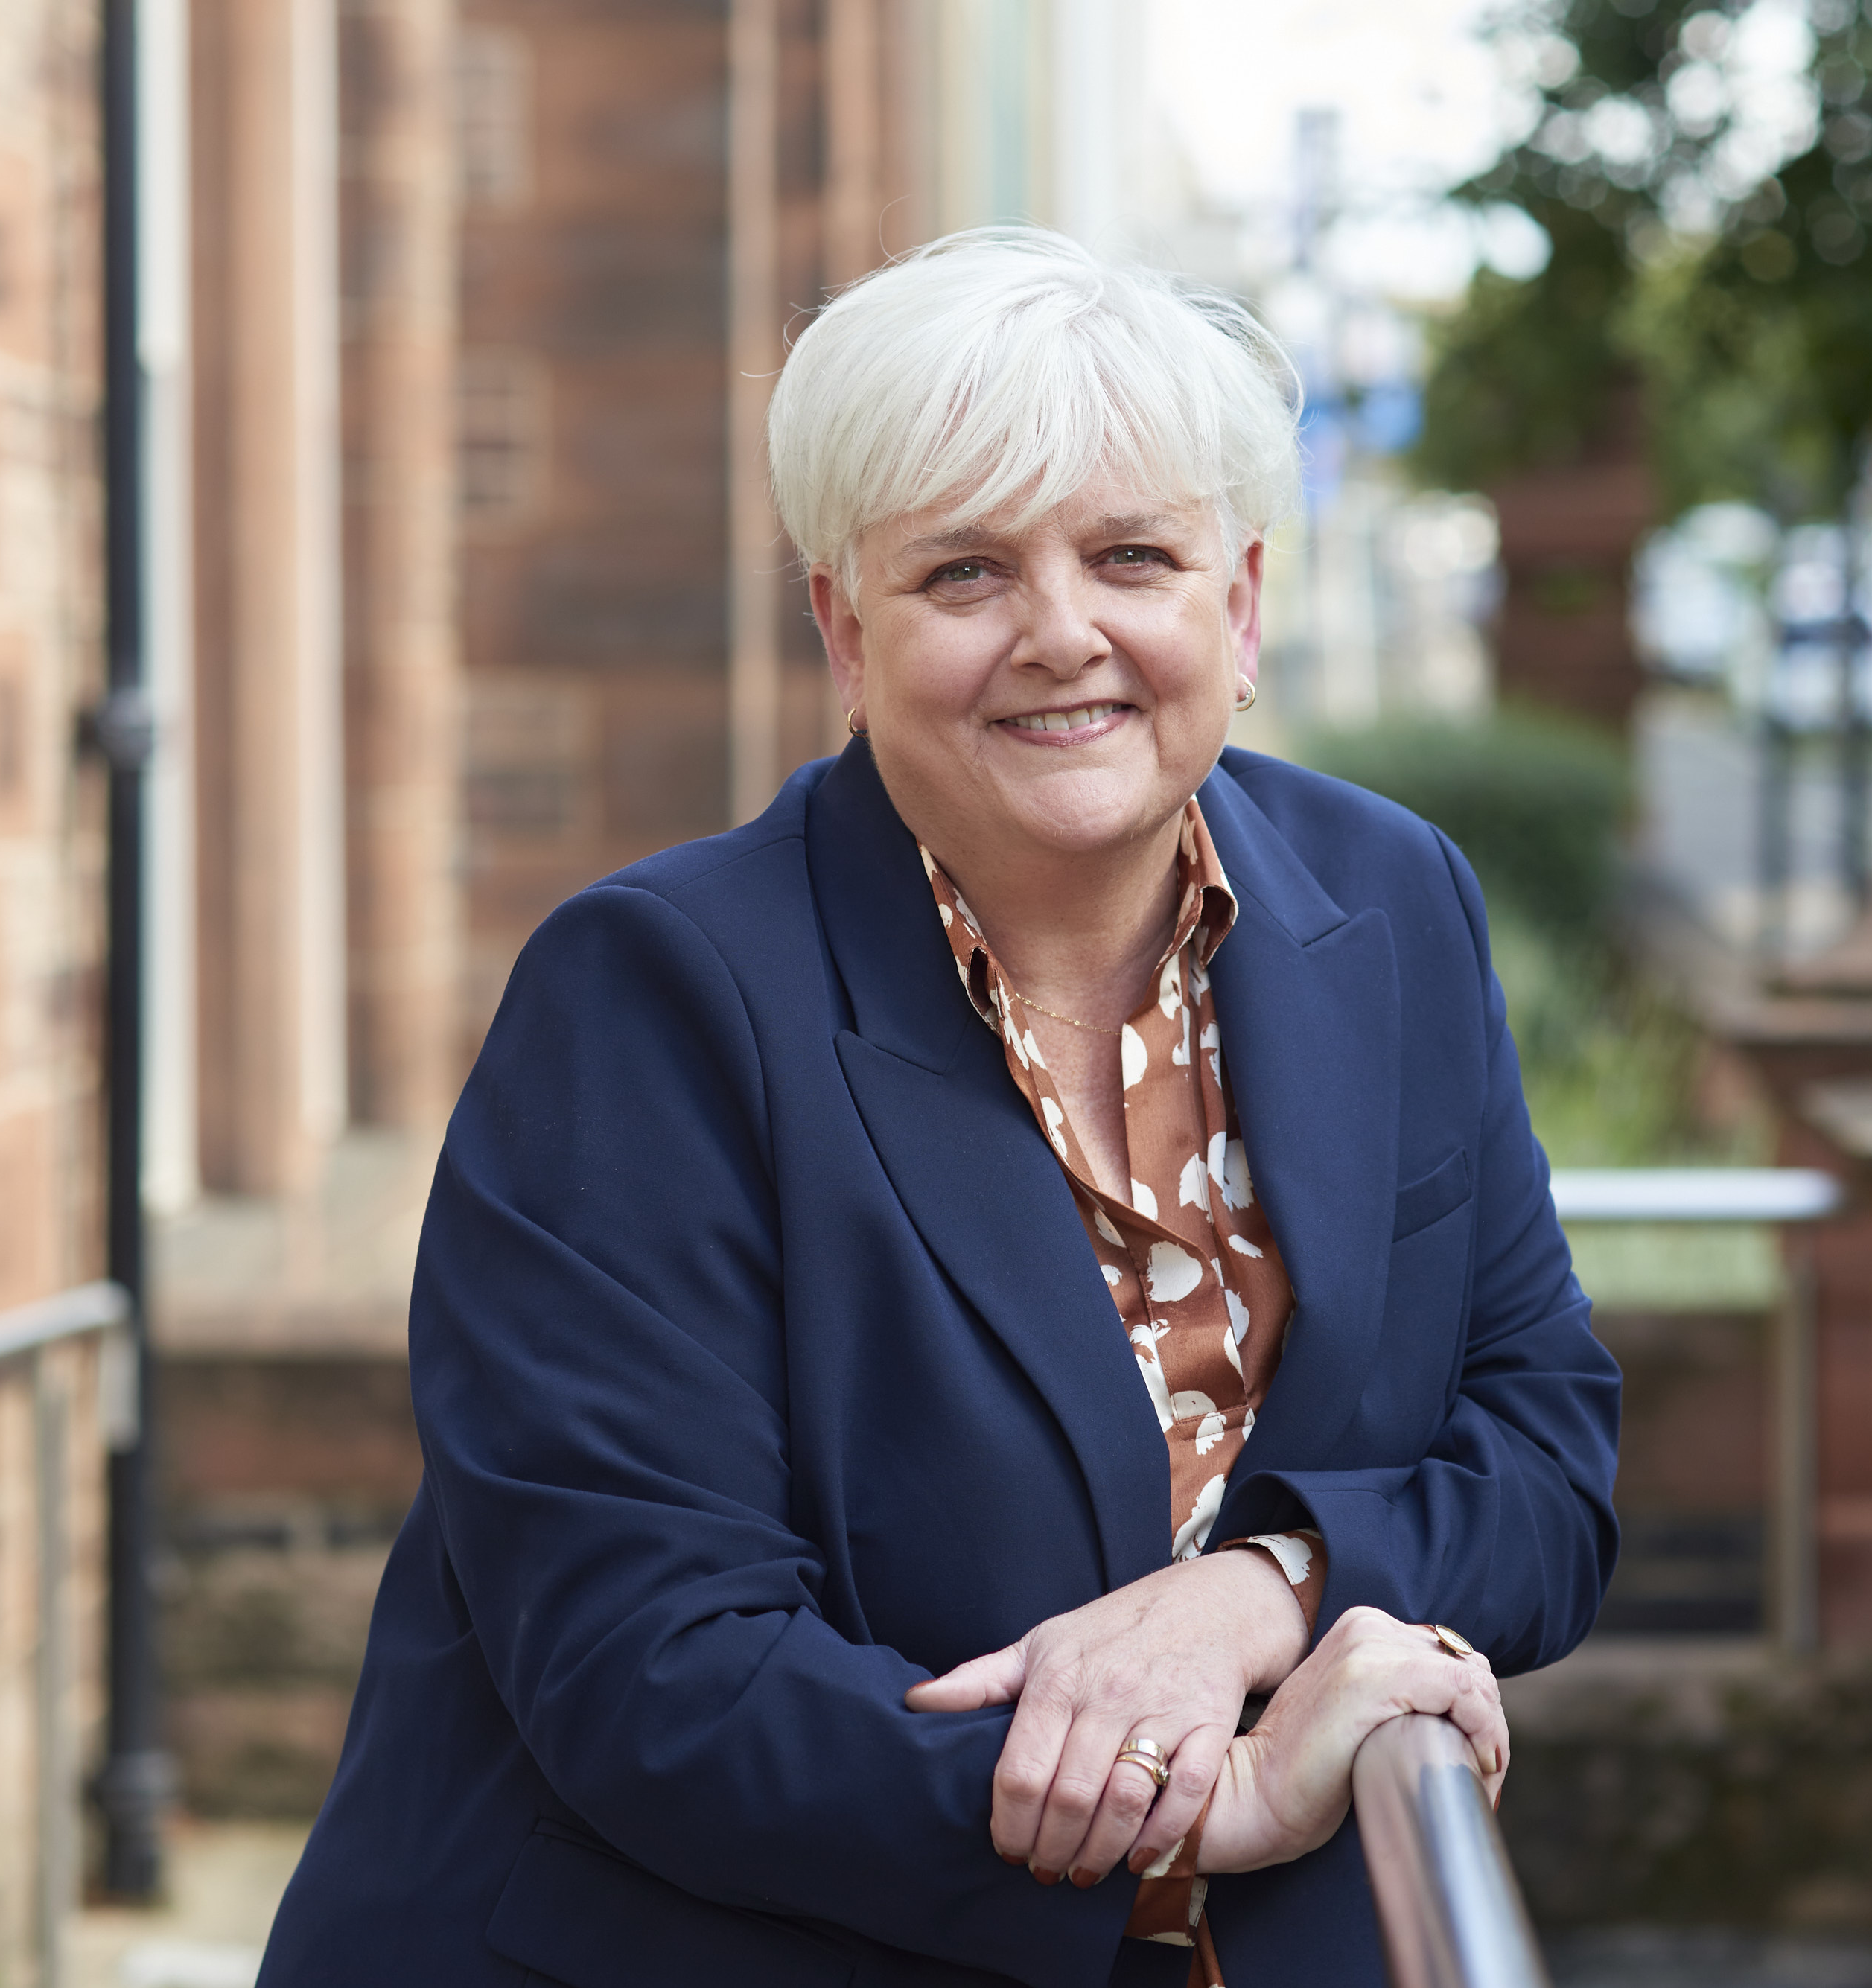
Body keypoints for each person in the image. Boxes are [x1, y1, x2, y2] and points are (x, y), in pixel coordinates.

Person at [258, 227, 1619, 1988]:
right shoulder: (651, 997)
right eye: (964, 574)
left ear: (1244, 604)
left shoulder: (1390, 901)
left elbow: (1541, 1454)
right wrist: (1206, 1800)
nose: (1063, 635)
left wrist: (1260, 1585)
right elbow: (650, 1668)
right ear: (843, 626)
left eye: (1132, 555)